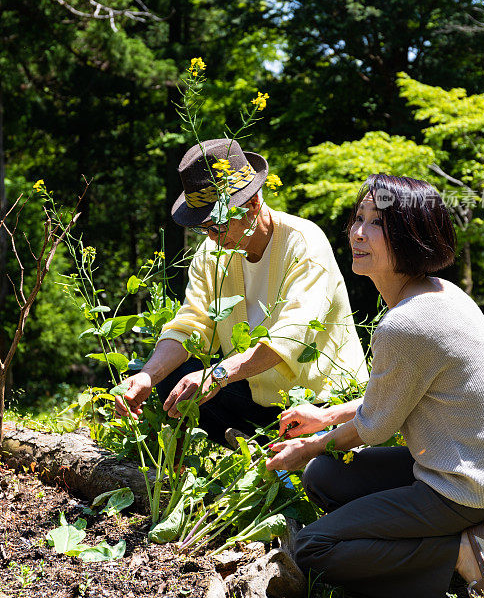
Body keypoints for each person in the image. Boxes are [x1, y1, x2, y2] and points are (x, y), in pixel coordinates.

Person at [265, 174, 484, 598]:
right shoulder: (441, 293)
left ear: (413, 236)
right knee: (325, 477)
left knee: (314, 547)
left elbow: (373, 430)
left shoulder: (405, 324)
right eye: (358, 218)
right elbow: (392, 399)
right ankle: (457, 548)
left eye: (378, 224)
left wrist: (311, 445)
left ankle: (462, 552)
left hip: (467, 489)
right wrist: (325, 417)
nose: (357, 232)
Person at [115, 138, 368, 446]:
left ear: (252, 205)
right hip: (255, 397)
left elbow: (290, 335)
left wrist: (218, 375)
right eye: (203, 227)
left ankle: (277, 453)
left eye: (218, 224)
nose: (212, 237)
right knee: (175, 377)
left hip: (322, 404)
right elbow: (190, 324)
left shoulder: (304, 243)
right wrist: (147, 375)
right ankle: (255, 449)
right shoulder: (211, 253)